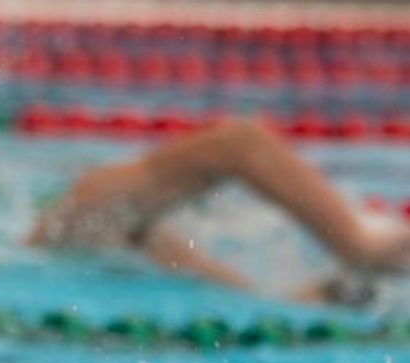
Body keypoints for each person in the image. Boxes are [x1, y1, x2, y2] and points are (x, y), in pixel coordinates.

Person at [26, 116, 410, 304]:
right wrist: (359, 248)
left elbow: (240, 142)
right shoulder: (85, 218)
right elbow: (239, 143)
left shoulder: (96, 230)